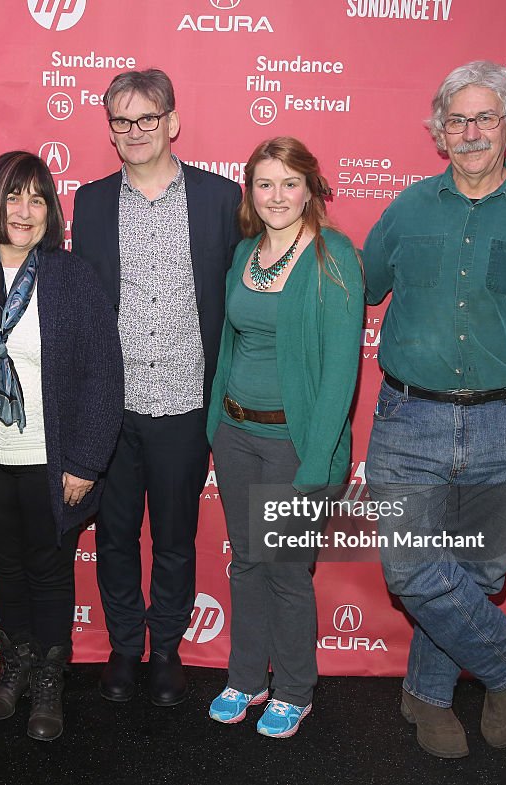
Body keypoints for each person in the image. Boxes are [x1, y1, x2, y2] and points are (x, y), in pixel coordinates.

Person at [363, 60, 506, 758]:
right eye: (456, 119)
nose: (469, 132)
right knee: (411, 569)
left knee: (475, 574)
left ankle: (428, 696)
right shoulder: (407, 207)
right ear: (439, 130)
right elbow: (358, 286)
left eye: (484, 117)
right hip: (409, 421)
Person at [0, 151, 123, 741]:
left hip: (52, 461)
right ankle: (13, 668)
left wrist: (88, 460)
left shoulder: (72, 278)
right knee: (5, 569)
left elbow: (103, 374)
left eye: (37, 199)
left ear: (50, 212)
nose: (23, 210)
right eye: (13, 196)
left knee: (48, 569)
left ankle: (48, 677)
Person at [71, 68, 242, 706]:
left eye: (148, 118)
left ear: (172, 121)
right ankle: (123, 646)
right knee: (113, 536)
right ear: (110, 130)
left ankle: (166, 649)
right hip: (109, 409)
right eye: (123, 121)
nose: (136, 131)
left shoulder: (221, 200)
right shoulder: (88, 203)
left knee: (173, 535)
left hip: (184, 406)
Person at [205, 137, 363, 738]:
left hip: (297, 445)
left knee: (287, 568)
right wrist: (213, 428)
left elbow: (340, 372)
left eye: (289, 183)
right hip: (236, 435)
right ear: (251, 191)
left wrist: (318, 462)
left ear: (310, 189)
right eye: (265, 183)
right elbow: (230, 346)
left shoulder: (334, 257)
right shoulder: (245, 252)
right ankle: (247, 678)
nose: (277, 196)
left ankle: (295, 689)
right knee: (247, 563)